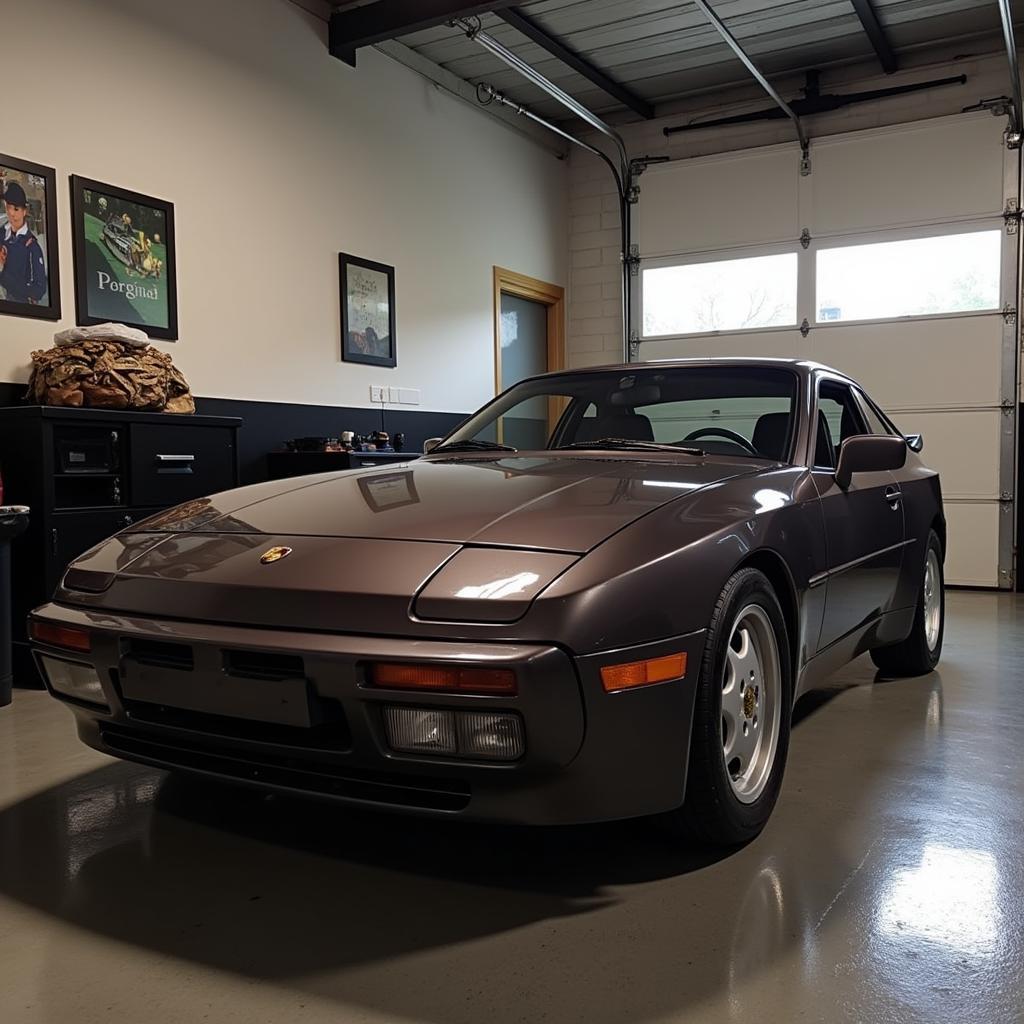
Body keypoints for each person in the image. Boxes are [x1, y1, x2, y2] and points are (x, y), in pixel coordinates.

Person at [0, 181, 47, 304]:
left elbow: (38, 289)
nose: (12, 213)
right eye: (8, 207)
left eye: (16, 209)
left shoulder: (32, 246)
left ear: (24, 211)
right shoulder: (1, 233)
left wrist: (3, 276)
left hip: (16, 304)